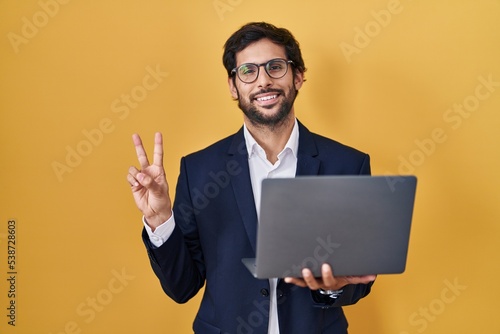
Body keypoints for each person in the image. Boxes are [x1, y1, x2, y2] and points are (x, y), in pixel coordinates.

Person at [127, 22, 376, 334]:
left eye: (275, 67)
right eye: (248, 71)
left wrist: (333, 287)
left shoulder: (347, 165)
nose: (264, 81)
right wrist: (161, 219)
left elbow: (358, 281)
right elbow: (182, 287)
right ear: (234, 86)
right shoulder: (199, 170)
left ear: (297, 77)